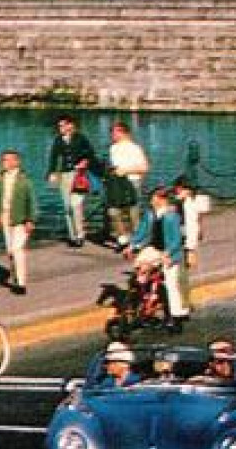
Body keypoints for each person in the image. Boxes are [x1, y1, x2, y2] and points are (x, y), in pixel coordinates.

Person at [127, 188, 189, 328]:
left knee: (171, 283)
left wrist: (168, 254)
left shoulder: (172, 216)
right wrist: (132, 245)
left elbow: (176, 239)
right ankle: (147, 296)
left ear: (162, 200)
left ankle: (175, 316)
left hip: (169, 251)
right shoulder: (149, 215)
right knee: (141, 267)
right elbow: (141, 232)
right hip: (154, 249)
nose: (152, 201)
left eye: (154, 198)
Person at [46, 115, 99, 247]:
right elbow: (53, 157)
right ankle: (73, 235)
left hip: (79, 175)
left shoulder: (81, 138)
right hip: (64, 175)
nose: (60, 128)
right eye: (59, 126)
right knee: (67, 207)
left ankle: (80, 234)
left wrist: (85, 161)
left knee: (76, 205)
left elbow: (91, 154)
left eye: (63, 125)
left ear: (71, 125)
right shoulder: (58, 140)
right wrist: (51, 172)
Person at [0, 149, 36, 295]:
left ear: (17, 162)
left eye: (9, 160)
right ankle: (15, 277)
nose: (5, 163)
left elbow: (32, 201)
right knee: (10, 252)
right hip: (5, 218)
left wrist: (30, 219)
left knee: (17, 250)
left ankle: (21, 284)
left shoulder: (25, 180)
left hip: (20, 220)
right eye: (3, 160)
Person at [104, 121, 149, 250]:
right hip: (116, 182)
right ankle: (122, 238)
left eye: (114, 132)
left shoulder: (135, 148)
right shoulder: (112, 148)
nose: (112, 135)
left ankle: (137, 240)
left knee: (133, 212)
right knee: (113, 211)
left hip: (131, 181)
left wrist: (126, 170)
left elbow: (144, 167)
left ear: (122, 132)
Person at [170, 177, 202, 309]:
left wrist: (191, 249)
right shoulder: (181, 203)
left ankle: (184, 301)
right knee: (180, 273)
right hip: (181, 242)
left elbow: (192, 225)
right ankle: (184, 301)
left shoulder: (187, 203)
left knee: (181, 273)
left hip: (184, 242)